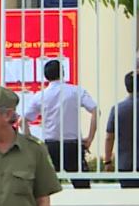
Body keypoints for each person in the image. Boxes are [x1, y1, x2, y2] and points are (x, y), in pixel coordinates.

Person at [20, 59, 98, 188]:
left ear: (46, 76)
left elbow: (23, 120)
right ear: (63, 73)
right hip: (72, 145)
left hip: (51, 146)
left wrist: (32, 142)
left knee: (48, 188)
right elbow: (95, 110)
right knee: (82, 187)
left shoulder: (41, 96)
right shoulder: (76, 91)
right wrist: (90, 138)